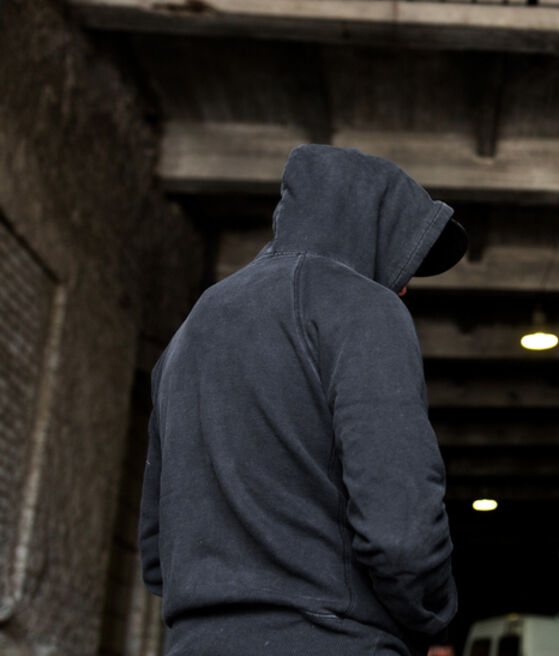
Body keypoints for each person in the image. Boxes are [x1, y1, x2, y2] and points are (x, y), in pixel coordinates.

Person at [140, 145, 467, 655]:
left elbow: (156, 553)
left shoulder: (189, 332)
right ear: (370, 231)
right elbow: (402, 532)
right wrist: (433, 623)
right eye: (401, 264)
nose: (403, 288)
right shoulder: (364, 308)